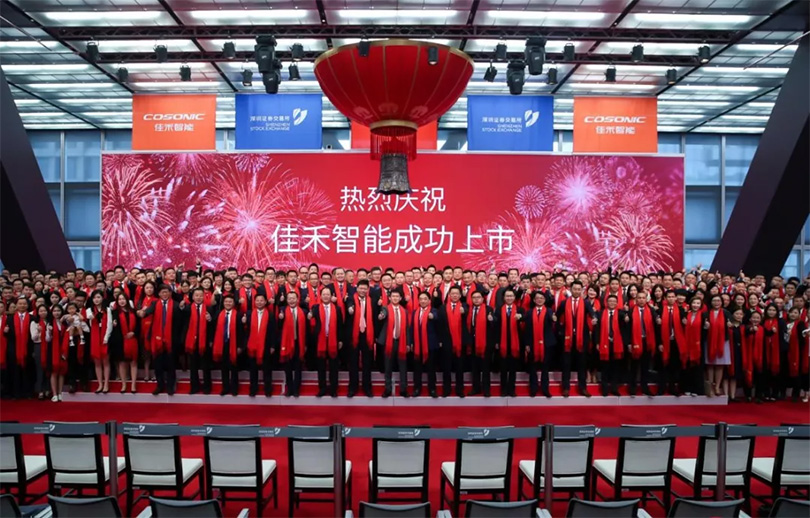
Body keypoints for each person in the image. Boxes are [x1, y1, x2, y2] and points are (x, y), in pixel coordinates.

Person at [557, 281, 596, 397]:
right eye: (575, 289)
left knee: (582, 364)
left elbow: (593, 314)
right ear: (571, 289)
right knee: (566, 364)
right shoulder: (564, 302)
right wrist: (561, 331)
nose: (577, 291)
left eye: (579, 289)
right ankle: (565, 387)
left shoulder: (586, 303)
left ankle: (583, 388)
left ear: (582, 290)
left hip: (582, 337)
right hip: (567, 337)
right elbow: (557, 316)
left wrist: (594, 318)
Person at [145, 285, 182, 396]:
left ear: (170, 293)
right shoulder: (155, 304)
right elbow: (147, 312)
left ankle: (170, 386)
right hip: (157, 339)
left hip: (171, 339)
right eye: (162, 292)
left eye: (166, 292)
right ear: (159, 294)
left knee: (171, 364)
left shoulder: (176, 305)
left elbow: (179, 323)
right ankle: (160, 385)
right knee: (158, 364)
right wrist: (142, 312)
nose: (165, 294)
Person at [309, 286, 343, 398]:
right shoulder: (315, 308)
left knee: (334, 366)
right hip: (320, 340)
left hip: (333, 340)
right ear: (320, 296)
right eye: (324, 294)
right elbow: (310, 316)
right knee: (321, 366)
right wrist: (309, 316)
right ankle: (322, 388)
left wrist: (340, 340)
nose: (326, 296)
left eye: (328, 294)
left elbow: (340, 325)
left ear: (331, 296)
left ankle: (333, 389)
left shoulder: (337, 309)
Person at [345, 280, 376, 398]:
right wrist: (350, 309)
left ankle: (367, 387)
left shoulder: (372, 301)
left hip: (367, 334)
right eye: (360, 288)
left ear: (368, 290)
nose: (362, 290)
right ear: (357, 289)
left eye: (365, 289)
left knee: (367, 363)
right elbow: (348, 306)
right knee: (353, 363)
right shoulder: (350, 299)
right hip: (354, 334)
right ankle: (353, 387)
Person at [377, 288, 408, 398]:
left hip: (401, 342)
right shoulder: (386, 308)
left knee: (403, 367)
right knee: (388, 367)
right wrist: (381, 315)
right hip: (389, 342)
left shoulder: (404, 311)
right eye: (393, 296)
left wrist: (408, 343)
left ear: (400, 298)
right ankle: (388, 389)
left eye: (397, 296)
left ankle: (403, 389)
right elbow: (383, 314)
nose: (395, 298)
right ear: (389, 298)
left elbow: (407, 328)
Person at [436, 286, 466, 397]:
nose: (454, 295)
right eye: (452, 293)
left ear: (460, 295)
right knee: (446, 367)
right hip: (446, 341)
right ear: (449, 295)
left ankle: (459, 389)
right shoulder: (442, 308)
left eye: (456, 293)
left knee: (460, 367)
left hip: (460, 341)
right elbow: (439, 325)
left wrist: (464, 312)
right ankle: (446, 389)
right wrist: (440, 340)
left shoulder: (464, 307)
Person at [525, 291, 555, 398]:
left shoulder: (549, 311)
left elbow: (552, 318)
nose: (539, 300)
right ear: (534, 300)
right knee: (532, 367)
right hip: (532, 343)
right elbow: (527, 329)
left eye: (541, 298)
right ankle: (533, 389)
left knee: (545, 368)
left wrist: (553, 318)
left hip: (547, 343)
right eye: (537, 298)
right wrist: (527, 344)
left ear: (545, 300)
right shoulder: (529, 312)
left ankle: (545, 389)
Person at [493, 288, 523, 397]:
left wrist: (521, 318)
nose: (509, 298)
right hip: (502, 342)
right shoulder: (498, 310)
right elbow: (496, 327)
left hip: (515, 342)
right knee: (503, 368)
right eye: (507, 296)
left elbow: (524, 324)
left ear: (514, 298)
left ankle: (512, 389)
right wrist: (496, 341)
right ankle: (503, 390)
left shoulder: (519, 310)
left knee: (512, 369)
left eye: (511, 296)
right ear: (504, 298)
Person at [246, 293, 276, 398]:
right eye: (257, 300)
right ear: (254, 302)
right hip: (252, 345)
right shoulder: (249, 314)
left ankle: (268, 389)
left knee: (267, 369)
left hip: (266, 345)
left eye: (261, 300)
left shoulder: (270, 315)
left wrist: (272, 346)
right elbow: (247, 331)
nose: (259, 302)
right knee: (253, 369)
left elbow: (273, 331)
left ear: (265, 302)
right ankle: (253, 389)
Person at [183, 287, 213, 395]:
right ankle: (194, 387)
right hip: (192, 341)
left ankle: (207, 387)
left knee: (206, 366)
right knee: (193, 366)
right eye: (196, 295)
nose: (199, 297)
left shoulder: (209, 309)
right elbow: (184, 325)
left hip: (204, 341)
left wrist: (210, 319)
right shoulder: (187, 309)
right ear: (193, 297)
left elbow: (213, 326)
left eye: (201, 295)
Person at [212, 294, 242, 397]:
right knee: (224, 367)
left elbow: (241, 332)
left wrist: (240, 346)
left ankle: (234, 388)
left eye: (230, 302)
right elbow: (214, 329)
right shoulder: (219, 314)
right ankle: (225, 388)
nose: (228, 303)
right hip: (222, 344)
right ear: (223, 303)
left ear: (233, 303)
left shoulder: (238, 315)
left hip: (233, 343)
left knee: (234, 367)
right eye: (226, 302)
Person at [278, 291, 307, 397]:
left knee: (298, 367)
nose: (291, 300)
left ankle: (296, 389)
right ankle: (289, 389)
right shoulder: (282, 310)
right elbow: (279, 327)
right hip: (286, 343)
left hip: (299, 342)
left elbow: (307, 330)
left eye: (293, 298)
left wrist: (306, 344)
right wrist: (280, 319)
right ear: (287, 300)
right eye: (289, 298)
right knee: (288, 368)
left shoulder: (303, 311)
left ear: (297, 299)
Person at [596, 294, 626, 397]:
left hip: (617, 343)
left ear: (617, 303)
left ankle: (614, 388)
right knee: (605, 367)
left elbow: (625, 327)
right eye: (610, 301)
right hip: (604, 342)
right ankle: (604, 389)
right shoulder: (600, 313)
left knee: (615, 367)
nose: (612, 303)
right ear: (606, 303)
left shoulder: (621, 314)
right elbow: (597, 329)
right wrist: (597, 342)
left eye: (614, 301)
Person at [410, 291, 439, 397]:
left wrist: (432, 316)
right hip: (418, 344)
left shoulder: (434, 311)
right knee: (417, 369)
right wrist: (411, 342)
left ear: (429, 300)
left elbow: (436, 318)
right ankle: (417, 388)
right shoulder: (415, 312)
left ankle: (432, 389)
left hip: (430, 345)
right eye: (421, 299)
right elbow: (412, 328)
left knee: (431, 368)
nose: (423, 301)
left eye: (425, 299)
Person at [466, 290, 493, 397]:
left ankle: (486, 389)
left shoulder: (488, 309)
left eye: (478, 297)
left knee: (485, 368)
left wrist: (491, 319)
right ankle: (475, 388)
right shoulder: (469, 309)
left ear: (482, 299)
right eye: (474, 297)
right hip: (472, 342)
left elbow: (493, 322)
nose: (476, 299)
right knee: (474, 367)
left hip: (485, 342)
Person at [110, 293, 139, 394]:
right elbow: (112, 328)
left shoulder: (133, 311)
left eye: (123, 299)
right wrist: (114, 325)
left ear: (127, 300)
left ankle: (133, 384)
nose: (122, 301)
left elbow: (138, 325)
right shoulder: (114, 312)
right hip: (121, 341)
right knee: (122, 363)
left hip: (133, 339)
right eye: (119, 299)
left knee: (133, 362)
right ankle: (124, 384)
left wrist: (133, 333)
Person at [705, 294, 731, 398]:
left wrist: (730, 325)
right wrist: (705, 327)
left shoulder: (726, 313)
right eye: (714, 301)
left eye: (718, 301)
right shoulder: (706, 313)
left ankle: (717, 386)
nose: (716, 303)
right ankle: (711, 385)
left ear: (722, 302)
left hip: (722, 341)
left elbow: (734, 323)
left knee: (720, 364)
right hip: (709, 341)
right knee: (710, 364)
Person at [45, 304, 68, 402]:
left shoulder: (65, 323)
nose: (56, 313)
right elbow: (47, 339)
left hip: (64, 349)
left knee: (62, 372)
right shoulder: (49, 323)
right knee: (54, 372)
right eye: (54, 311)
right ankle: (54, 394)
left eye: (58, 311)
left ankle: (60, 393)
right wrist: (49, 332)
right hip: (53, 350)